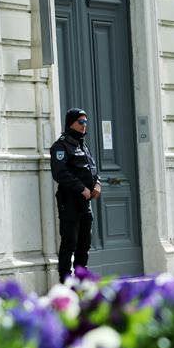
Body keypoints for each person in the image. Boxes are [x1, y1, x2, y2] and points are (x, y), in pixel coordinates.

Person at [50, 108, 102, 281]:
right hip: (69, 201)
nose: (84, 125)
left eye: (86, 122)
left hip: (85, 202)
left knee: (84, 243)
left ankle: (81, 280)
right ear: (71, 122)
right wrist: (82, 188)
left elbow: (92, 169)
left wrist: (98, 184)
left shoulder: (83, 145)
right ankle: (65, 281)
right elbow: (60, 173)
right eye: (81, 122)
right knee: (69, 243)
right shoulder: (61, 146)